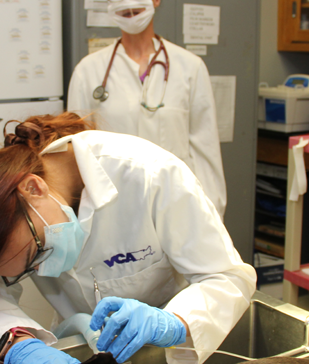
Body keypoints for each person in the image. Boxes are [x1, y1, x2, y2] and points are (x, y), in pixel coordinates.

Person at [0, 112, 255, 364]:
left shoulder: (150, 174)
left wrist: (174, 322)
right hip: (85, 362)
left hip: (167, 362)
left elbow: (227, 277)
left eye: (37, 250)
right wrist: (20, 348)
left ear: (33, 188)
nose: (42, 266)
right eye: (26, 268)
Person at [66, 0, 226, 217]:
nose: (129, 6)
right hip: (113, 209)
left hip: (177, 205)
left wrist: (212, 213)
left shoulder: (190, 67)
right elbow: (75, 152)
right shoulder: (87, 71)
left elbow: (205, 151)